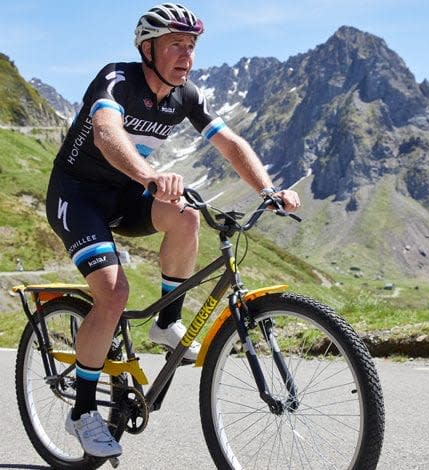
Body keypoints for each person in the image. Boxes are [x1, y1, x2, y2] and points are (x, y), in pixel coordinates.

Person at [44, 3, 300, 458]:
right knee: (113, 294)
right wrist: (148, 177)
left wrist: (268, 190)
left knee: (186, 215)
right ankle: (83, 411)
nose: (186, 55)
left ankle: (167, 323)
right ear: (147, 48)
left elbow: (229, 142)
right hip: (77, 197)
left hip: (124, 196)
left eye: (192, 46)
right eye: (175, 45)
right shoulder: (117, 80)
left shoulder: (187, 96)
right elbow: (106, 133)